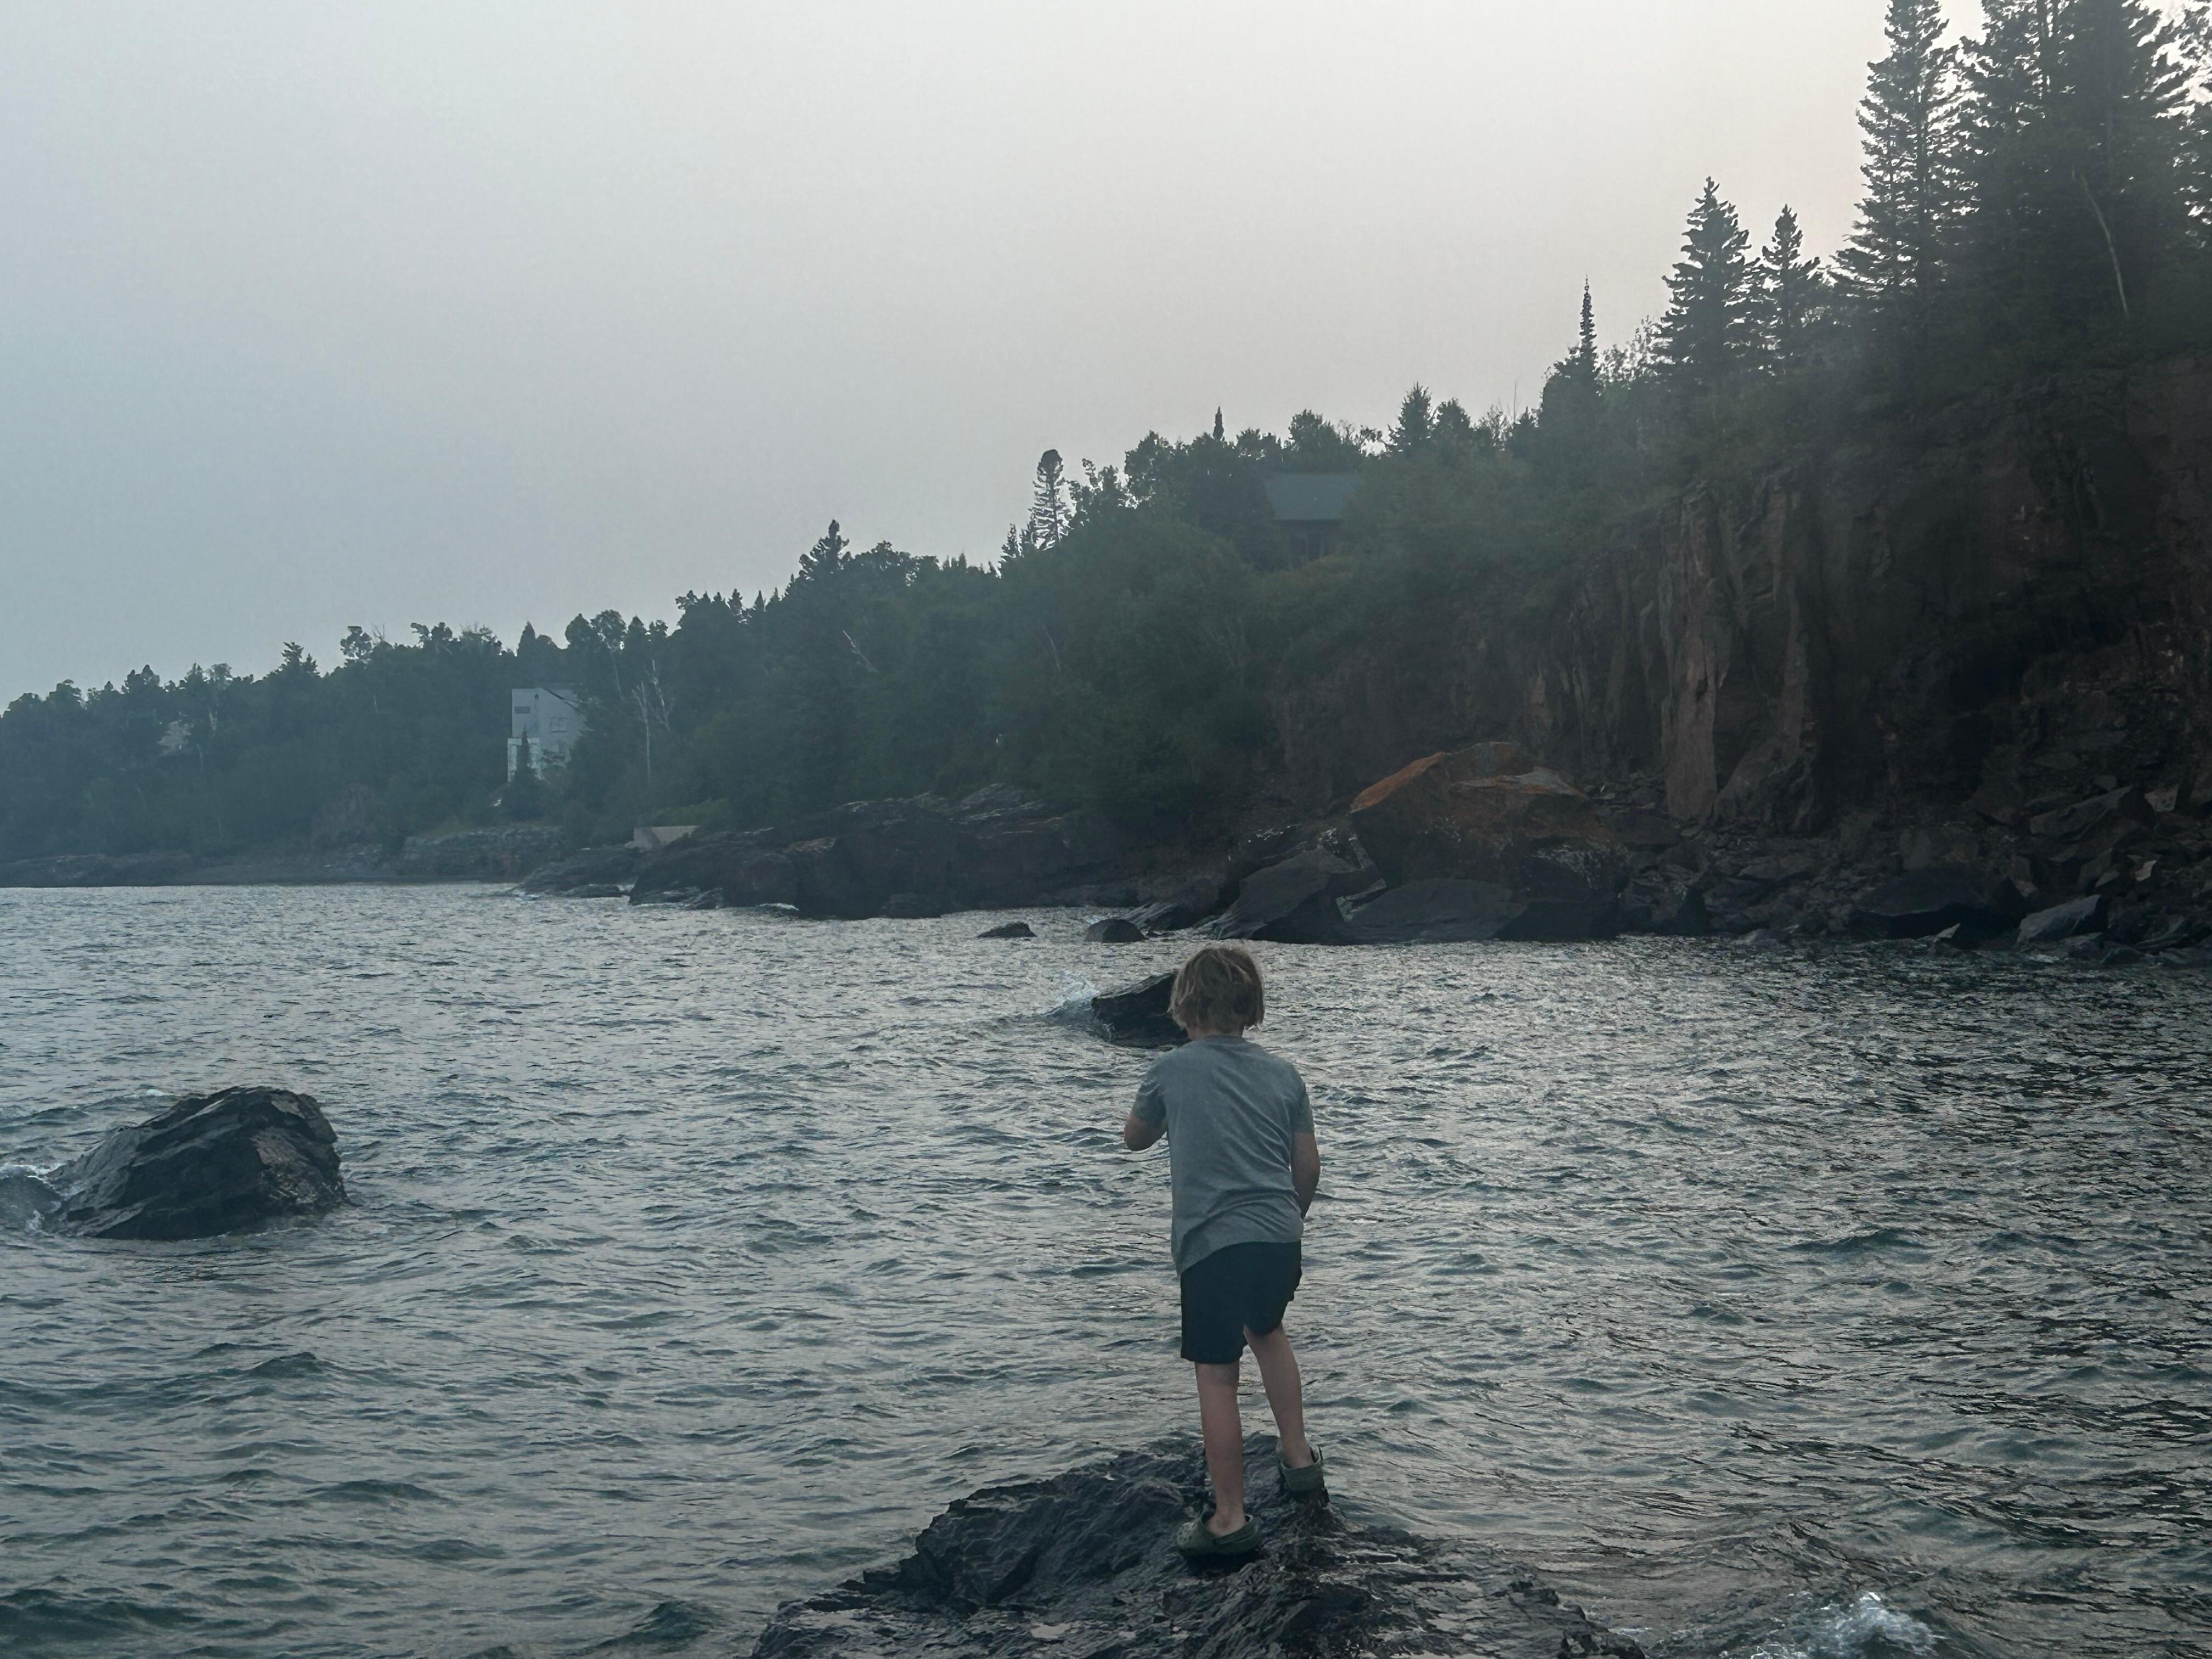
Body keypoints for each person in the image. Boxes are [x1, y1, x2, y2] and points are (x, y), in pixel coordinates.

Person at [1122, 943, 1324, 1558]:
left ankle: (1230, 1519)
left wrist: (1160, 1120)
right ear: (1249, 1008)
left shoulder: (1170, 1070)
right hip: (1278, 1235)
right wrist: (1291, 1218)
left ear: (1185, 1007)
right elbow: (1307, 1164)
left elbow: (1134, 1140)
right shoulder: (1284, 1074)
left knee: (1216, 1376)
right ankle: (1299, 1461)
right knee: (1270, 1332)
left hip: (1212, 1244)